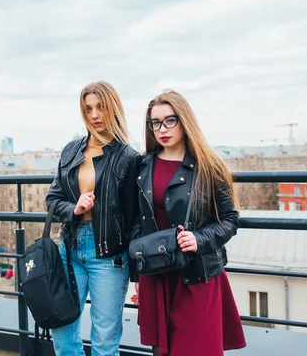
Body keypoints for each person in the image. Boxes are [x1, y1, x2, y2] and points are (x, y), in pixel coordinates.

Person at [131, 89, 246, 356]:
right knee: (163, 351)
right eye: (155, 123)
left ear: (184, 121)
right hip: (156, 273)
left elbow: (230, 219)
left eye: (170, 120)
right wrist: (137, 272)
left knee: (197, 349)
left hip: (197, 274)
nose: (162, 129)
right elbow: (137, 221)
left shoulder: (209, 166)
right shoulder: (143, 166)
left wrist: (199, 239)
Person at [46, 81, 141, 356]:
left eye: (101, 107)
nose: (95, 115)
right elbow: (53, 200)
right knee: (63, 333)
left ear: (113, 108)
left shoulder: (128, 157)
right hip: (70, 249)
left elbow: (136, 219)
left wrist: (138, 274)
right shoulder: (71, 150)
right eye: (88, 109)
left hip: (110, 256)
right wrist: (74, 209)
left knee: (104, 342)